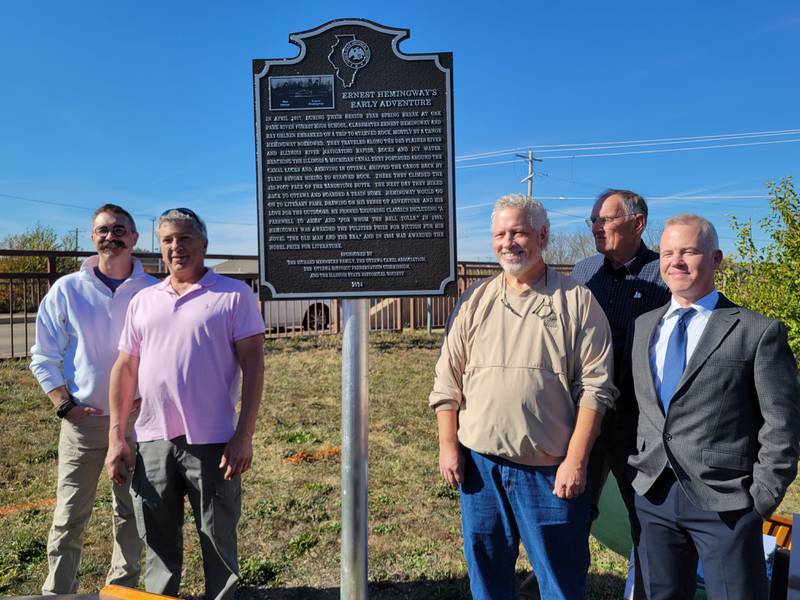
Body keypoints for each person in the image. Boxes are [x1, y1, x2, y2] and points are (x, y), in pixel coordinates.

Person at [429, 193, 617, 599]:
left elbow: (596, 389)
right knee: (488, 578)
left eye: (518, 232)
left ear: (543, 235)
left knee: (560, 583)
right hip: (480, 469)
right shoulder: (473, 301)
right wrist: (448, 446)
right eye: (500, 233)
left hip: (550, 473)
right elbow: (447, 379)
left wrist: (576, 461)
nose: (507, 242)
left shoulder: (577, 301)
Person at [622, 214, 800, 599]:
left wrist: (762, 497)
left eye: (689, 251)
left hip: (727, 502)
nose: (676, 261)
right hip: (653, 496)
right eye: (668, 252)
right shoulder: (643, 327)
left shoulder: (756, 331)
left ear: (716, 258)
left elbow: (782, 422)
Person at [105, 208, 265, 600]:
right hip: (154, 440)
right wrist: (116, 438)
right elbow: (125, 367)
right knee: (158, 544)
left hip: (213, 443)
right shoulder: (144, 301)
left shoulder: (233, 295)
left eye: (185, 238)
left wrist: (244, 435)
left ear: (204, 245)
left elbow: (254, 365)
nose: (177, 247)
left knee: (217, 540)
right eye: (168, 240)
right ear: (159, 248)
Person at [30, 204, 155, 594]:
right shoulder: (67, 289)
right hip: (83, 423)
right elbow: (44, 355)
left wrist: (148, 396)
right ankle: (59, 591)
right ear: (92, 238)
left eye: (119, 229)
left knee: (131, 514)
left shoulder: (153, 291)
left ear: (134, 238)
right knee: (69, 515)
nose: (110, 236)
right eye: (102, 230)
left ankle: (123, 588)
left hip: (137, 422)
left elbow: (165, 354)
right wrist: (64, 405)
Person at [571, 189, 669, 599]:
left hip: (638, 421)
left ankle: (643, 591)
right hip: (584, 417)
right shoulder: (584, 271)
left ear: (637, 224)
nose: (596, 227)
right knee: (573, 510)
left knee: (645, 516)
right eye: (593, 220)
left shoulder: (664, 276)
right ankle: (566, 587)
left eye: (605, 220)